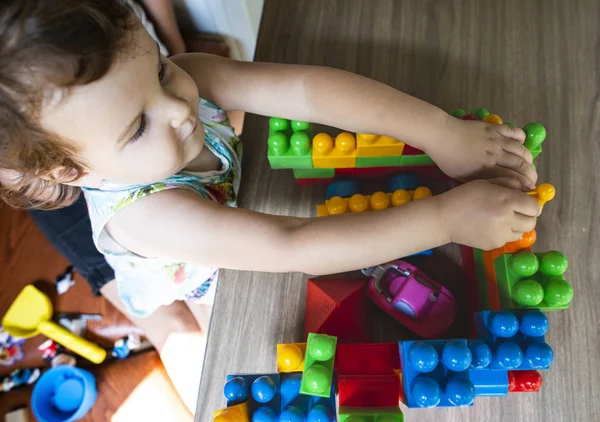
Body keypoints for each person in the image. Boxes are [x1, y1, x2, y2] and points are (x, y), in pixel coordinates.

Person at [0, 0, 540, 414]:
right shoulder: (149, 214)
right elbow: (291, 244)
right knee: (200, 335)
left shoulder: (181, 83)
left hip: (225, 200)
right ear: (76, 172)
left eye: (160, 71)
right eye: (139, 126)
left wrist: (441, 132)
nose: (179, 108)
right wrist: (446, 218)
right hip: (193, 267)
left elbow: (306, 88)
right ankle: (154, 321)